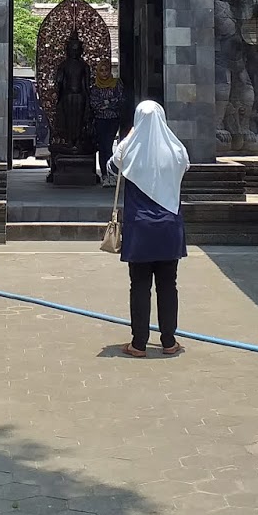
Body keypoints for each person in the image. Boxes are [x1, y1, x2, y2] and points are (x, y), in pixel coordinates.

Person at [110, 100, 190, 358]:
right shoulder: (176, 150)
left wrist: (130, 136)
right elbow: (185, 168)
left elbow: (111, 166)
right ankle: (169, 341)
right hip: (169, 227)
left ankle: (139, 344)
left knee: (139, 285)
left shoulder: (128, 152)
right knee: (169, 284)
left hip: (140, 228)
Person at [90, 64, 123, 185]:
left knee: (109, 146)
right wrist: (109, 103)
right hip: (100, 120)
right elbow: (94, 104)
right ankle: (104, 174)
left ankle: (112, 175)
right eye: (102, 70)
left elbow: (119, 100)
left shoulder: (116, 84)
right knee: (103, 147)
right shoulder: (95, 87)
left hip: (113, 119)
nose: (104, 73)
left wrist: (105, 103)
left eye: (106, 70)